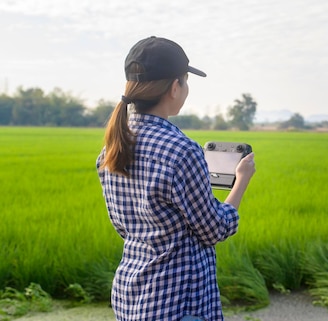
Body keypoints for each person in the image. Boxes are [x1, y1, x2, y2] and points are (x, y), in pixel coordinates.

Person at [97, 36, 255, 321]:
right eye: (185, 81)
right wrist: (241, 180)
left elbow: (124, 226)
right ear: (174, 87)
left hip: (131, 297)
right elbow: (214, 229)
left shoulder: (112, 147)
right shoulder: (181, 150)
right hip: (179, 304)